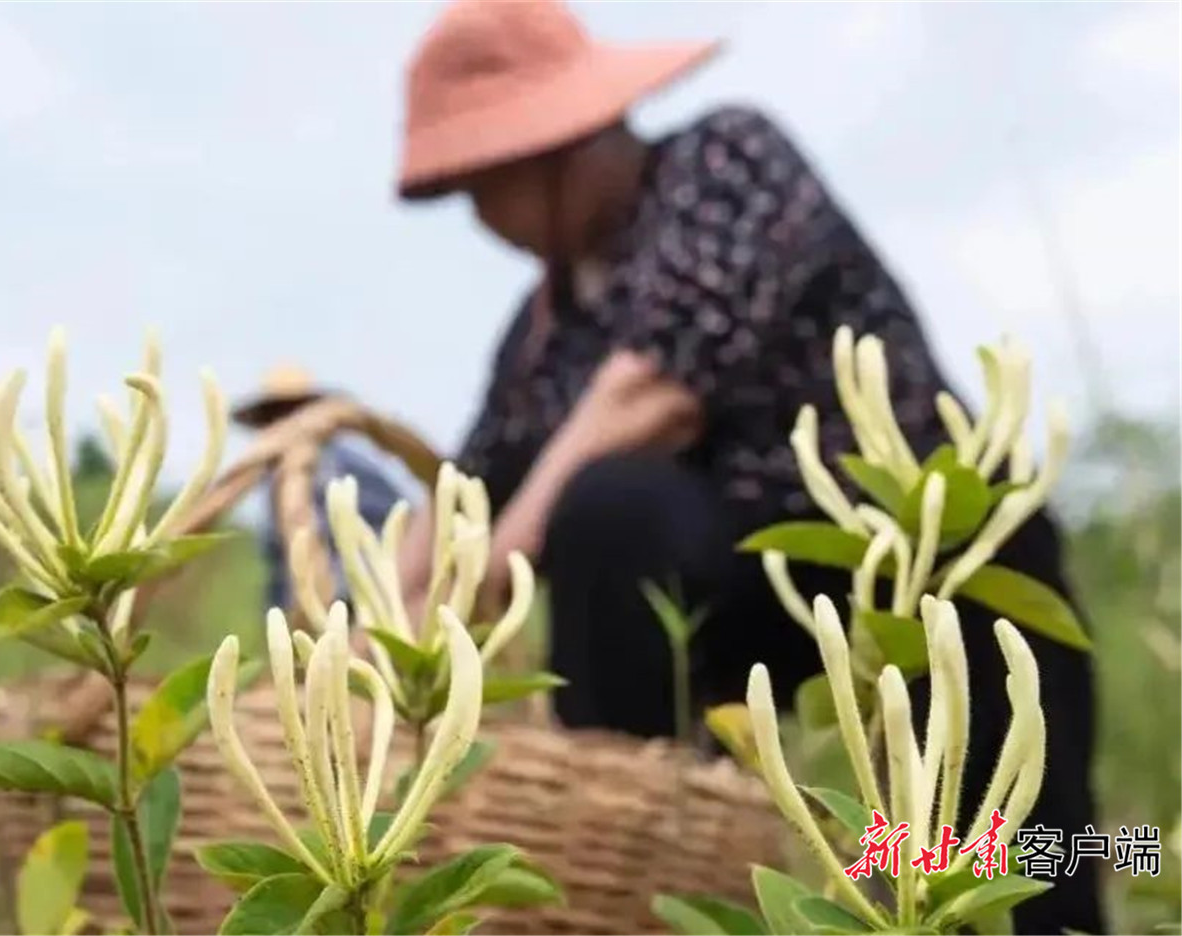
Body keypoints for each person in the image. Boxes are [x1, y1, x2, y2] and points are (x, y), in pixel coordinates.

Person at [390, 2, 1101, 931]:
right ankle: (627, 853)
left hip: (924, 551)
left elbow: (652, 393)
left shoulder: (722, 164)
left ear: (557, 147)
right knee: (611, 515)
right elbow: (466, 493)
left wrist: (505, 553)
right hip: (756, 595)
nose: (484, 220)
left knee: (1012, 852)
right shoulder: (540, 336)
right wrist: (383, 630)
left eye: (486, 187)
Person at [232, 365, 410, 613]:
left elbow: (391, 526)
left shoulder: (328, 466)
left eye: (291, 412)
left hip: (355, 599)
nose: (282, 424)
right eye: (272, 416)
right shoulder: (275, 476)